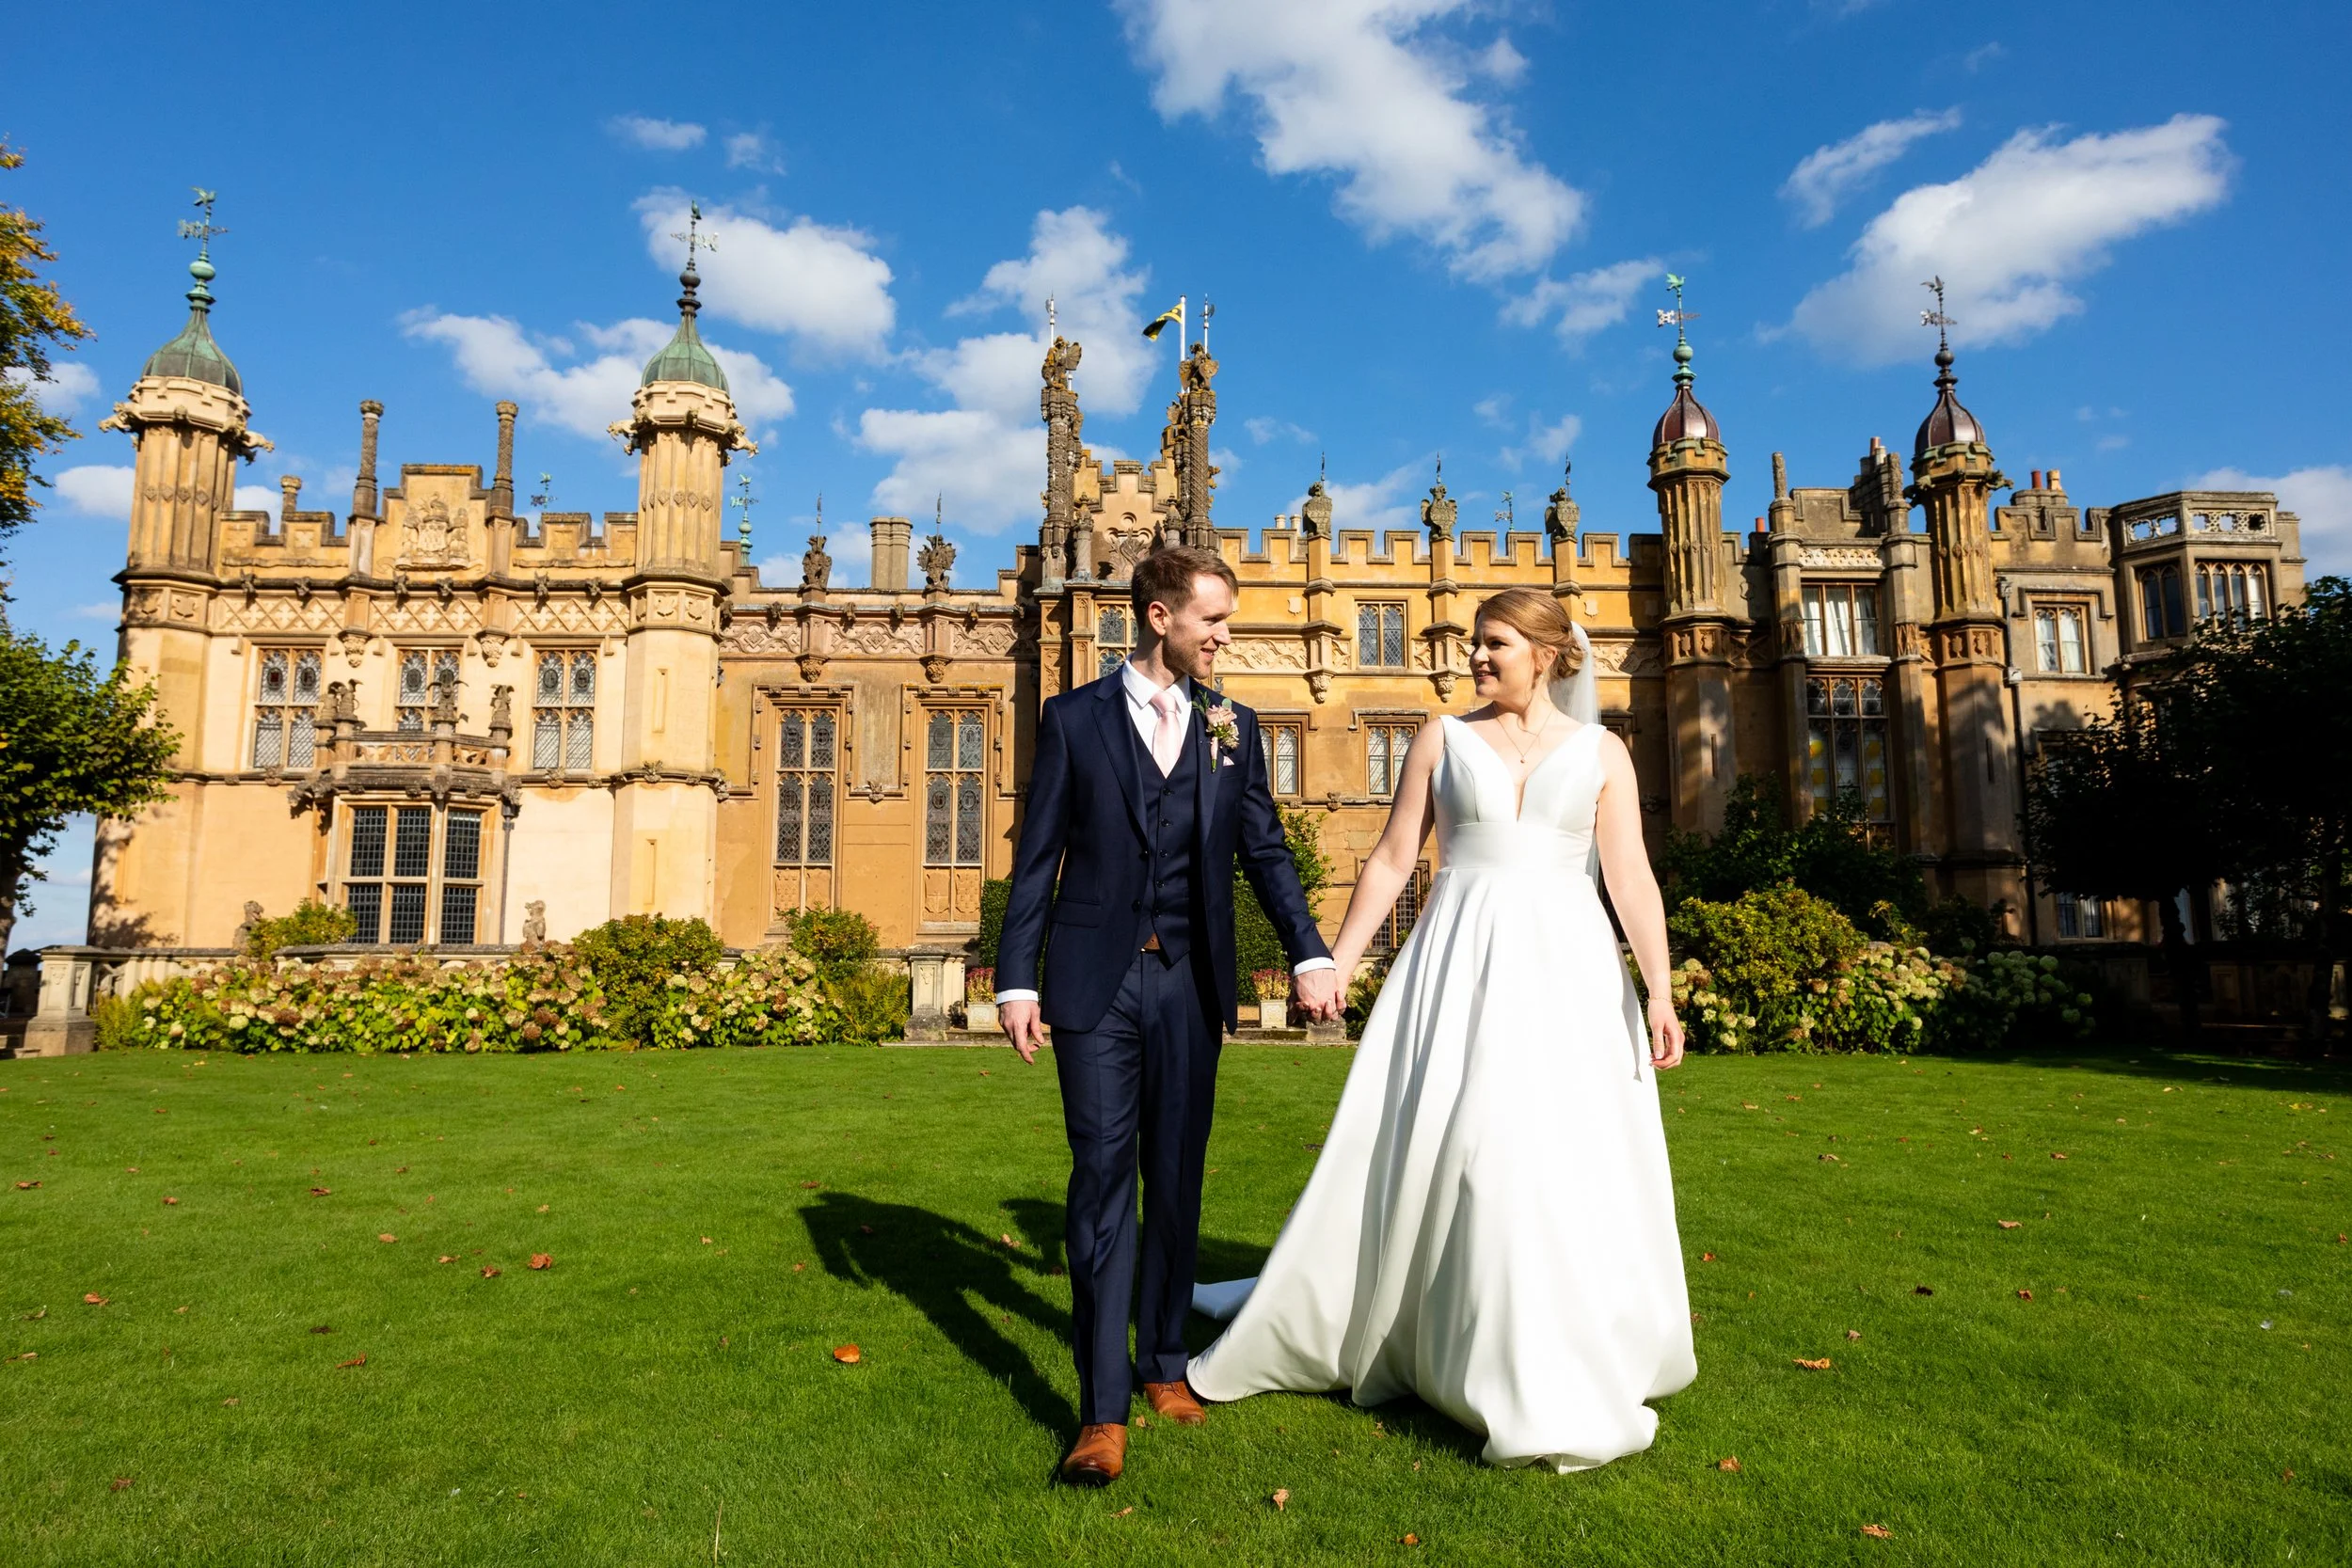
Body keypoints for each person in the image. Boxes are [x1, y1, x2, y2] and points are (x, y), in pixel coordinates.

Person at [1185, 587, 1696, 1472]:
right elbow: (1391, 861)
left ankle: (1558, 1345)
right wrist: (1335, 962)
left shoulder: (1605, 752)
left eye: (1495, 643)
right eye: (1474, 643)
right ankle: (1449, 1337)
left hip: (1571, 973)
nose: (1476, 658)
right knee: (1468, 1145)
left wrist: (1659, 988)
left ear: (1546, 654)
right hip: (1459, 963)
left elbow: (1633, 877)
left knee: (1561, 1154)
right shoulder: (1441, 737)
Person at [996, 545, 1344, 1487]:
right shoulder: (1072, 719)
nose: (1227, 636)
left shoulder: (1235, 725)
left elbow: (1263, 849)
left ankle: (1161, 1360)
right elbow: (1038, 855)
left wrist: (1309, 947)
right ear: (1160, 617)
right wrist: (1014, 978)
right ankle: (1100, 1409)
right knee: (1103, 1178)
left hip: (1191, 980)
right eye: (1215, 620)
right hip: (1092, 983)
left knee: (1177, 1178)